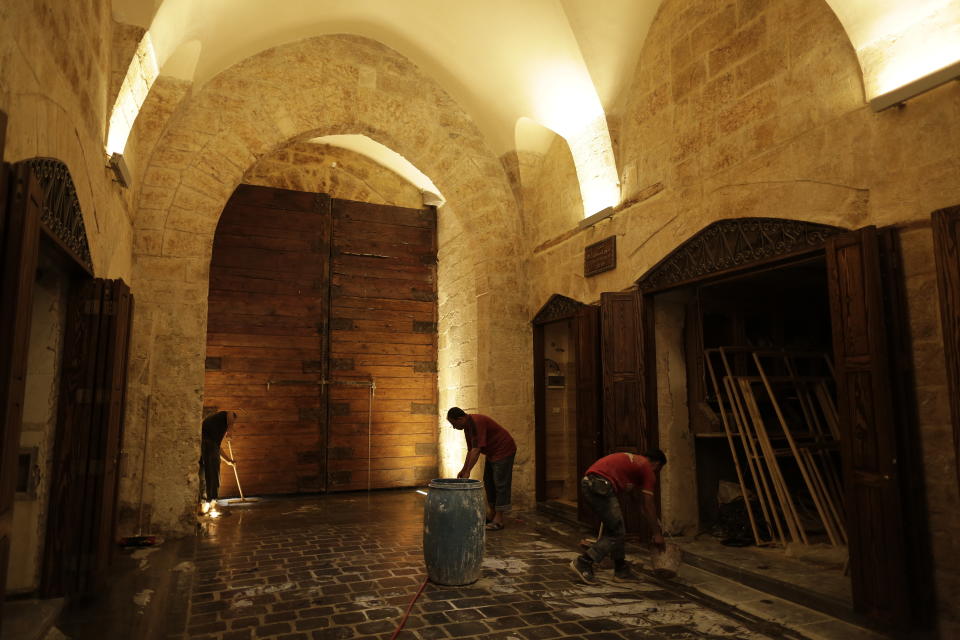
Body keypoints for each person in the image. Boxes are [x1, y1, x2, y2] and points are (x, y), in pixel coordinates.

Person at [570, 449, 667, 583]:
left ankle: (621, 570)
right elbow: (648, 504)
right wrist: (657, 534)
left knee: (616, 530)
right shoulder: (647, 468)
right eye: (658, 469)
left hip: (590, 484)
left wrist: (649, 516)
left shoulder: (634, 462)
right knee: (617, 532)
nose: (655, 473)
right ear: (656, 464)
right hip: (600, 485)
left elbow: (638, 500)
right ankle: (584, 562)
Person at [447, 407, 517, 531]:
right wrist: (463, 469)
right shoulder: (467, 426)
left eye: (454, 424)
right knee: (489, 482)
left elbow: (476, 450)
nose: (454, 427)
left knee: (500, 484)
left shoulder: (476, 422)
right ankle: (491, 514)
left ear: (460, 418)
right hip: (492, 453)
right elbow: (470, 450)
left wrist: (468, 471)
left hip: (504, 450)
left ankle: (499, 519)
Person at [198, 410, 238, 515]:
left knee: (208, 473)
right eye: (233, 422)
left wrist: (229, 461)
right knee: (212, 473)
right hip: (207, 444)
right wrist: (230, 429)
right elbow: (230, 413)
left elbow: (217, 448)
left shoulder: (214, 432)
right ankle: (211, 502)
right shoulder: (225, 415)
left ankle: (206, 504)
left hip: (206, 445)